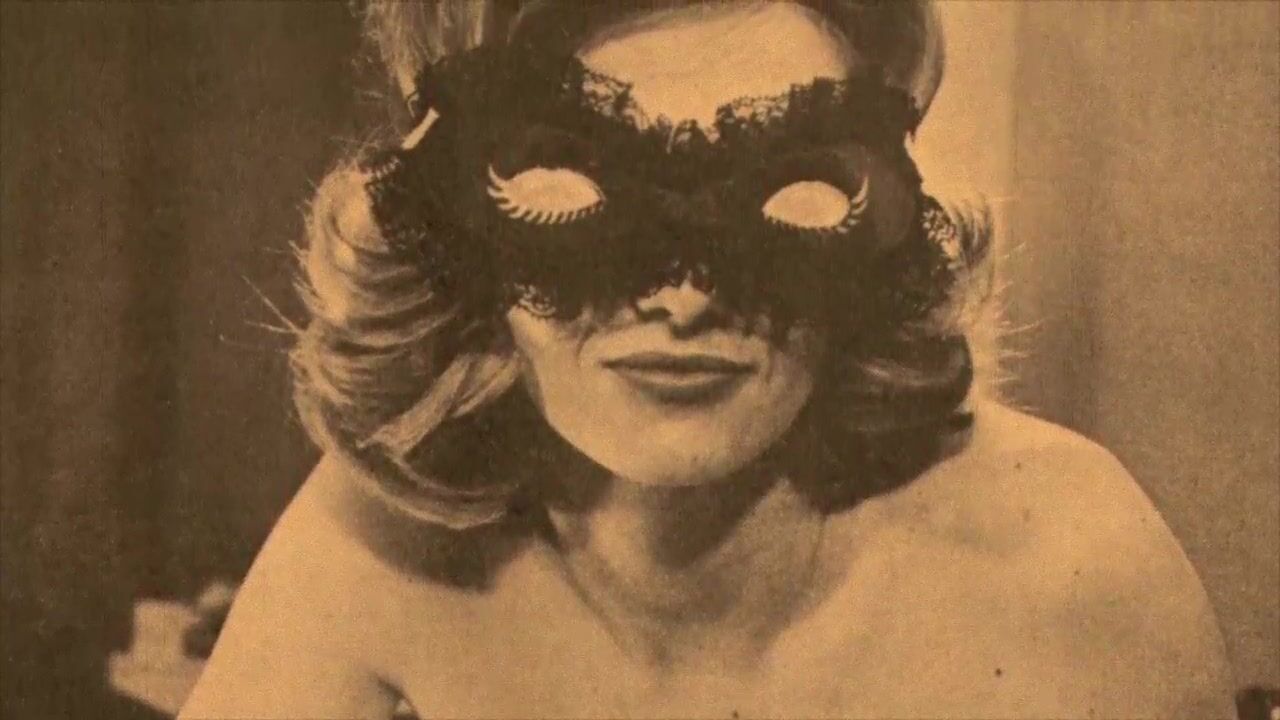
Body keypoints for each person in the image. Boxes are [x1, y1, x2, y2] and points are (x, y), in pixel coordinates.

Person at [180, 2, 1234, 717]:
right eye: (568, 188)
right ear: (456, 233)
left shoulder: (1066, 564)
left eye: (787, 193)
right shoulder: (379, 543)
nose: (683, 299)